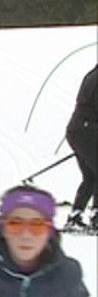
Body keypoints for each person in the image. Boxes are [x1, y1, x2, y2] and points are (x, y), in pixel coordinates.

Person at [64, 64, 97, 233]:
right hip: (87, 130)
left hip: (78, 129)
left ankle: (75, 216)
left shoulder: (91, 74)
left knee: (91, 177)